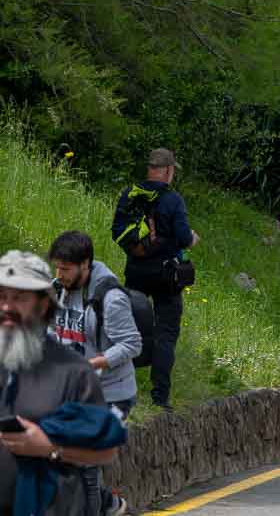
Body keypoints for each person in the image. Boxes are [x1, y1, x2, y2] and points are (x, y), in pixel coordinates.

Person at [1, 250, 126, 516]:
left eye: (19, 298)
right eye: (1, 297)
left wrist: (49, 447)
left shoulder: (74, 372)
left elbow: (105, 450)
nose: (7, 307)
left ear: (42, 305)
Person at [48, 231, 141, 516]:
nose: (59, 274)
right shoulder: (56, 291)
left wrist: (93, 364)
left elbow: (132, 344)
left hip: (113, 396)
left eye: (66, 269)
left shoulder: (110, 299)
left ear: (85, 264)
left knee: (85, 461)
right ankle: (110, 505)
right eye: (57, 267)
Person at [113, 147, 197, 411]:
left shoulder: (130, 195)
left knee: (127, 330)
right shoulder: (173, 200)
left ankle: (120, 389)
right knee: (165, 334)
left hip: (136, 272)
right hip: (166, 275)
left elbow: (117, 232)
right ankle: (159, 397)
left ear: (150, 168)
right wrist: (191, 239)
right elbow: (184, 238)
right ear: (169, 170)